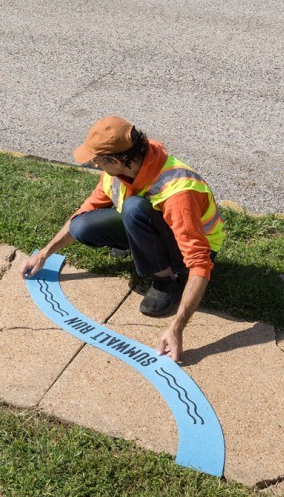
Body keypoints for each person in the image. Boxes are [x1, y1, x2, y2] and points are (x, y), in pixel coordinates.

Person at [19, 116, 225, 362]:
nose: (95, 165)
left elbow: (199, 263)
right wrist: (45, 252)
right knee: (83, 226)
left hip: (187, 250)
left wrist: (177, 326)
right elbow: (88, 209)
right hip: (153, 224)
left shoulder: (177, 191)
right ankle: (139, 244)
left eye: (97, 161)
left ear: (115, 160)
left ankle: (166, 279)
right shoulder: (119, 171)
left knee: (134, 208)